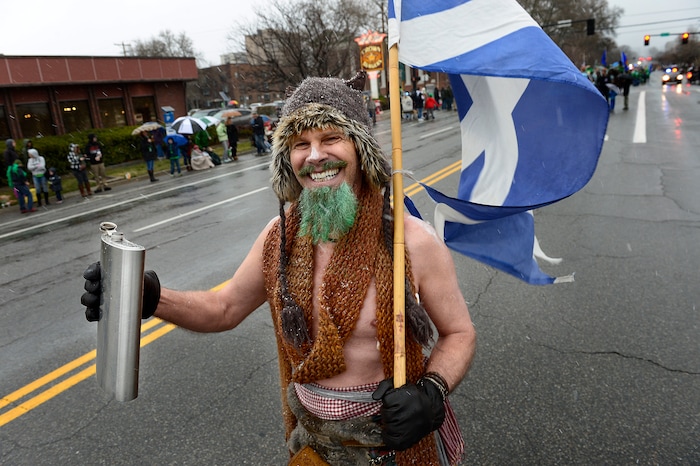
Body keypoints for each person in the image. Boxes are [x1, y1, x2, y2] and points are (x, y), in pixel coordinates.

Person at [81, 72, 476, 465]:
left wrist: (431, 391)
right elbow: (224, 308)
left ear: (360, 148)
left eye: (330, 138)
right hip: (313, 447)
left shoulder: (412, 241)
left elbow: (459, 333)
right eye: (300, 143)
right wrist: (148, 296)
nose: (315, 155)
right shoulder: (278, 238)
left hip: (395, 449)